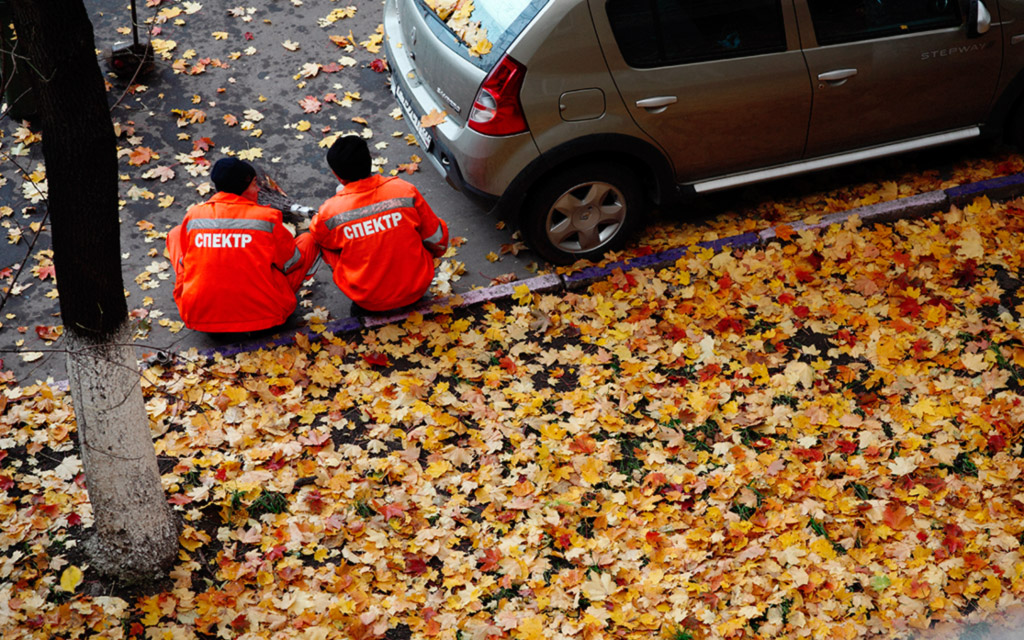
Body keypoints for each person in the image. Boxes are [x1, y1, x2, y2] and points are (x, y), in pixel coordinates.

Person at [166, 157, 319, 333]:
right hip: (267, 317)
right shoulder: (266, 218)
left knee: (176, 234)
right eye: (255, 184)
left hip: (200, 319)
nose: (258, 189)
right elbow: (291, 262)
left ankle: (196, 298)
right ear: (243, 187)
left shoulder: (195, 215)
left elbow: (186, 262)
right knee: (307, 240)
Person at [310, 135, 448, 314]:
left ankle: (357, 284)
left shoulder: (330, 212)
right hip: (416, 287)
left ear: (337, 176)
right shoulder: (404, 190)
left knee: (321, 242)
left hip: (368, 299)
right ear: (370, 161)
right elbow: (436, 238)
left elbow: (319, 235)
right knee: (431, 224)